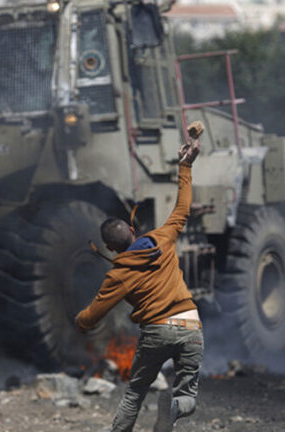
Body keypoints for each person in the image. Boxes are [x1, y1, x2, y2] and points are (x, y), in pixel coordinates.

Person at [75, 135, 203, 432]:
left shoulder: (118, 275)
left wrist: (79, 322)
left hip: (156, 330)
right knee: (187, 396)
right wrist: (185, 166)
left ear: (110, 248)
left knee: (134, 393)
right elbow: (183, 207)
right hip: (191, 324)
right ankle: (175, 407)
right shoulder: (163, 238)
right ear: (133, 231)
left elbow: (92, 316)